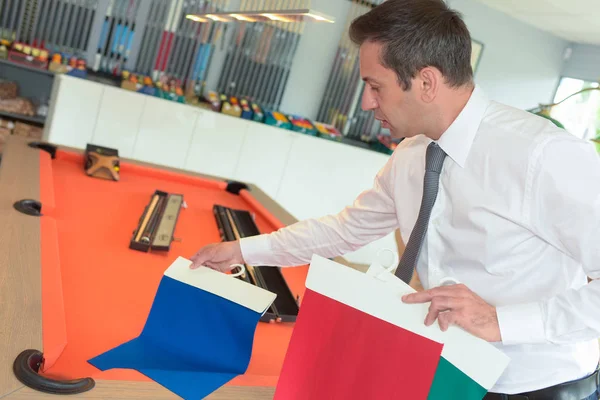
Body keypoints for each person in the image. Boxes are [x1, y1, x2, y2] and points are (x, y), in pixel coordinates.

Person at [190, 0, 600, 398]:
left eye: (375, 86)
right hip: (451, 373)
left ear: (426, 82)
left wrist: (502, 321)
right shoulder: (411, 156)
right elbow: (345, 230)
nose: (366, 102)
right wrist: (242, 251)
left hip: (538, 387)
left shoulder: (544, 155)